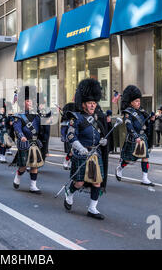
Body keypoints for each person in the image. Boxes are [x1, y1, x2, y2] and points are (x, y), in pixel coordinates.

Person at [63, 79, 109, 220]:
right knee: (79, 183)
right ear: (83, 104)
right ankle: (69, 193)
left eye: (94, 103)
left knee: (97, 182)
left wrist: (103, 141)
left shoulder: (96, 117)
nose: (92, 105)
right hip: (81, 153)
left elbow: (100, 133)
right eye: (90, 103)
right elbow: (70, 135)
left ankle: (92, 208)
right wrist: (80, 148)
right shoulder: (75, 118)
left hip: (95, 153)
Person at [116, 85, 155, 186]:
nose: (139, 103)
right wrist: (136, 136)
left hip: (143, 138)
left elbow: (146, 124)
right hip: (133, 139)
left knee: (145, 157)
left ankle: (145, 178)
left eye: (139, 101)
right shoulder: (128, 113)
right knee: (129, 159)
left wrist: (152, 120)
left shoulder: (141, 111)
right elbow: (129, 126)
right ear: (131, 102)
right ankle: (120, 167)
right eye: (136, 101)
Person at [12, 85, 44, 194]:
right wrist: (22, 137)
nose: (30, 103)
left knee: (35, 164)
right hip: (24, 142)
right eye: (27, 101)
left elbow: (43, 127)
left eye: (31, 101)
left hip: (35, 142)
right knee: (24, 166)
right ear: (23, 102)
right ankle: (18, 175)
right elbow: (17, 129)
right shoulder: (19, 116)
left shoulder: (38, 115)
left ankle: (33, 186)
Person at [60, 103, 76, 170]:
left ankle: (71, 163)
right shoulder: (66, 120)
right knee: (70, 152)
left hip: (76, 137)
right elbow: (63, 129)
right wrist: (63, 136)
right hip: (69, 138)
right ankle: (66, 161)